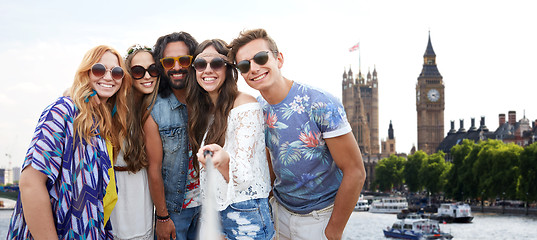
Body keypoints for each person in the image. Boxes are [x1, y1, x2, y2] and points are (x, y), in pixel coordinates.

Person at [229, 29, 367, 240]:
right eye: (244, 65)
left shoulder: (320, 103)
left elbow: (355, 171)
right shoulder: (256, 109)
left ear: (279, 59)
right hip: (279, 214)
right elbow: (268, 161)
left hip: (320, 218)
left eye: (260, 58)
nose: (254, 68)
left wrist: (333, 231)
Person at [7, 45, 130, 239]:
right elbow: (31, 183)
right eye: (99, 69)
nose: (108, 77)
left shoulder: (101, 125)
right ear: (85, 73)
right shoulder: (63, 110)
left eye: (116, 72)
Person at [187, 39, 274, 240]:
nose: (207, 70)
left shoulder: (245, 106)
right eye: (201, 64)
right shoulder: (205, 110)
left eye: (216, 63)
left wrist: (223, 160)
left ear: (228, 69)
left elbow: (243, 177)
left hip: (245, 210)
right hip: (213, 211)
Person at [144, 32, 200, 240]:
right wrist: (163, 217)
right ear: (161, 66)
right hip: (177, 212)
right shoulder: (155, 111)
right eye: (169, 62)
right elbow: (154, 169)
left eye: (184, 60)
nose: (177, 67)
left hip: (209, 209)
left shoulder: (207, 101)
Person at [109, 44, 159, 240]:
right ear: (129, 73)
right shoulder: (112, 105)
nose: (147, 76)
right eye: (138, 71)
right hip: (115, 192)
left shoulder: (156, 107)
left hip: (142, 191)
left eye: (153, 70)